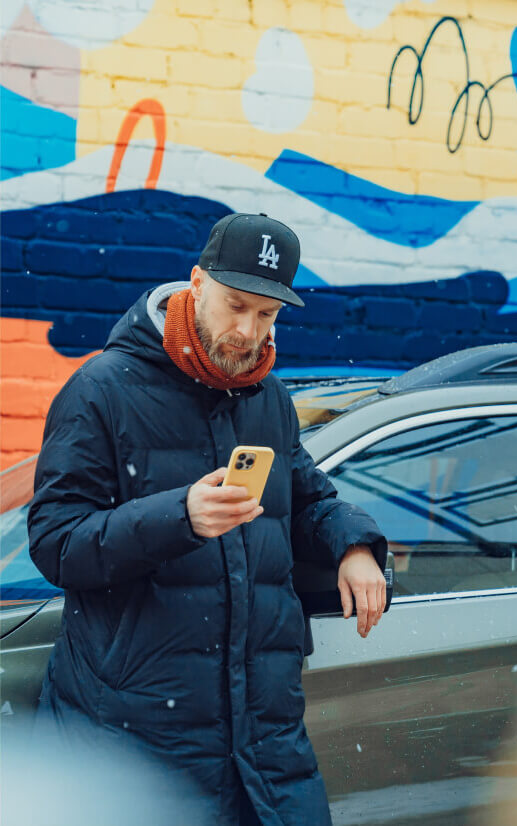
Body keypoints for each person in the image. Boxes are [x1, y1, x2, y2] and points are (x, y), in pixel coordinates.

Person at [28, 213, 388, 826]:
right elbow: (56, 543)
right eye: (235, 305)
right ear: (197, 284)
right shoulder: (101, 390)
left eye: (267, 314)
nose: (248, 331)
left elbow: (308, 500)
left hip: (265, 738)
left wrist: (354, 546)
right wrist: (180, 516)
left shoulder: (269, 399)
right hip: (136, 742)